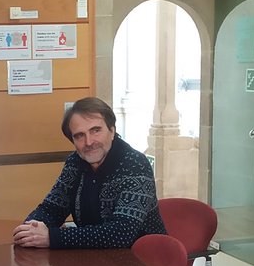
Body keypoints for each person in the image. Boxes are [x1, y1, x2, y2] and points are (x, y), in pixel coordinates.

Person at [13, 96, 165, 249]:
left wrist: (53, 237)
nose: (89, 142)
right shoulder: (75, 162)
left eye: (95, 130)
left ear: (112, 131)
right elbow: (52, 208)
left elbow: (122, 233)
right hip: (95, 258)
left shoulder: (135, 164)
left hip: (144, 261)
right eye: (79, 135)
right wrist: (30, 230)